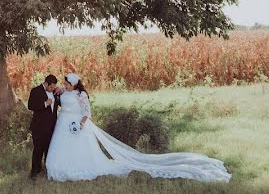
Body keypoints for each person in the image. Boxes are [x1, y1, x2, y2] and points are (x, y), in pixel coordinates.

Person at [45, 73, 231, 182]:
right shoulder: (63, 92)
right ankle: (58, 167)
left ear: (74, 84)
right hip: (63, 125)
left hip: (78, 125)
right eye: (64, 84)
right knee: (62, 148)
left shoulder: (81, 95)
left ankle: (82, 167)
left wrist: (81, 124)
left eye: (67, 84)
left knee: (82, 151)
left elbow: (87, 113)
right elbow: (55, 94)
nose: (64, 86)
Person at [27, 74, 60, 179]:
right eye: (51, 87)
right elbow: (30, 106)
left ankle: (48, 168)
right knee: (38, 149)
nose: (52, 89)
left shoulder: (54, 91)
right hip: (39, 127)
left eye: (54, 87)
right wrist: (45, 104)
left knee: (49, 149)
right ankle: (34, 171)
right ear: (46, 83)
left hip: (52, 126)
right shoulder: (35, 91)